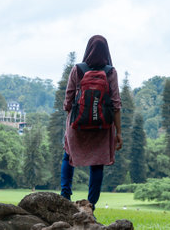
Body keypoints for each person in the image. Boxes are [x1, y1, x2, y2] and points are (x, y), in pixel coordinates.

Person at [61, 35, 123, 211]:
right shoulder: (110, 72)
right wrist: (119, 133)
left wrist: (72, 119)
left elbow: (68, 99)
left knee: (68, 156)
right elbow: (116, 104)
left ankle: (65, 197)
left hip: (77, 126)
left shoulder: (78, 69)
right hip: (102, 128)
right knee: (97, 164)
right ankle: (90, 205)